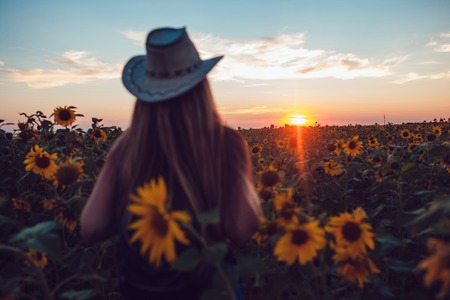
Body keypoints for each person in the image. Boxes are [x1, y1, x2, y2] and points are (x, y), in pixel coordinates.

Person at [80, 27, 262, 299]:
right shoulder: (226, 143)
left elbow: (91, 226)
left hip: (140, 290)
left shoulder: (127, 148)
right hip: (211, 289)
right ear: (202, 88)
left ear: (145, 96)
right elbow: (242, 229)